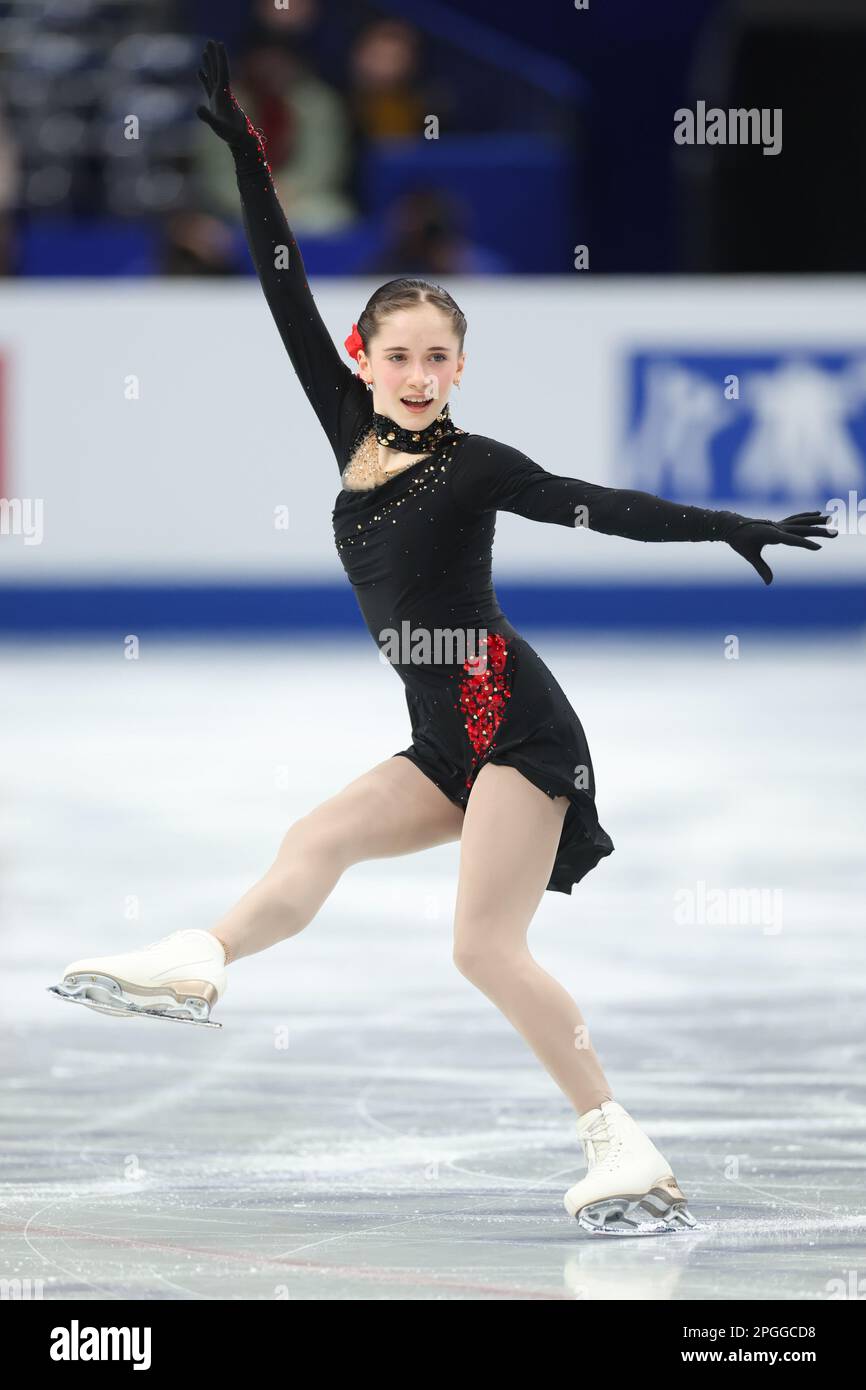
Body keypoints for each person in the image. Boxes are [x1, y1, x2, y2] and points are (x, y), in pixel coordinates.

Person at [49, 41, 835, 1235]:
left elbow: (598, 503)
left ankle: (618, 1144)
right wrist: (250, 158)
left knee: (481, 945)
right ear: (366, 362)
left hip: (513, 726)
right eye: (396, 354)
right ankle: (199, 957)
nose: (415, 374)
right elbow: (277, 282)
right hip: (439, 737)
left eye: (436, 358)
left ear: (458, 368)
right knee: (314, 836)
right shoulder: (345, 426)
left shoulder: (477, 469)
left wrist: (728, 525)